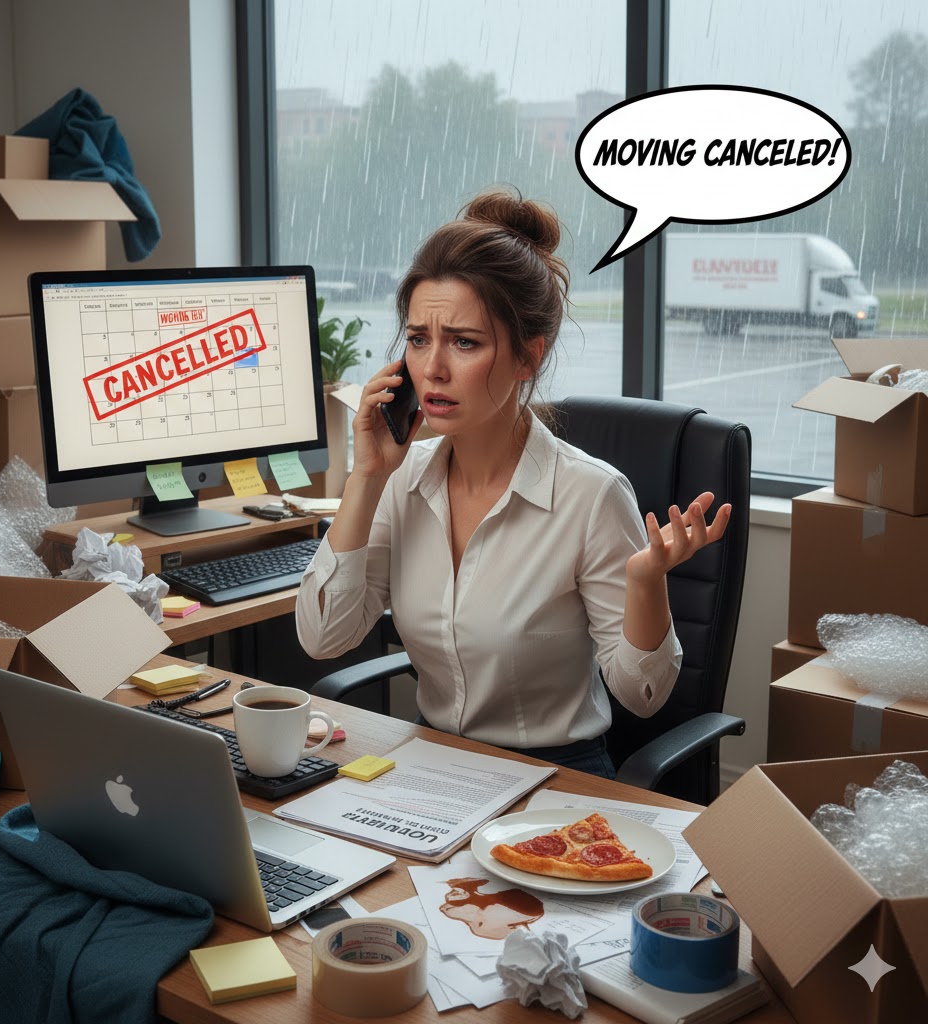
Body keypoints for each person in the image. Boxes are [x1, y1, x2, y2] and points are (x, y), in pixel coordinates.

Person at [296, 187, 731, 778]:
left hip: (555, 780)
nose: (432, 368)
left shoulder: (591, 496)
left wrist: (646, 583)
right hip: (433, 771)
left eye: (465, 342)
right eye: (419, 338)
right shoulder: (402, 483)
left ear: (528, 357)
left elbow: (642, 695)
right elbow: (324, 638)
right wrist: (367, 476)